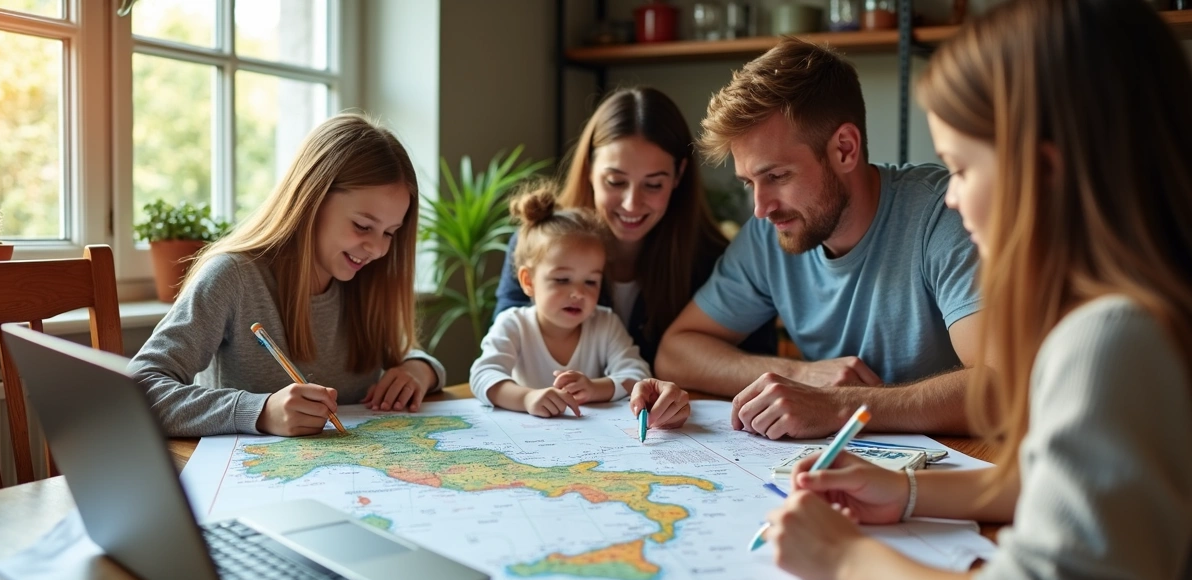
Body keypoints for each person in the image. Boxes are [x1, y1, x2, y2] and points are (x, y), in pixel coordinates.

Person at [763, 1, 1192, 580]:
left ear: (1044, 173)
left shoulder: (1112, 340)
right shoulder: (1143, 314)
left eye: (962, 169)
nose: (953, 195)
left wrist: (845, 558)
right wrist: (907, 493)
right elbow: (1057, 487)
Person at [657, 37, 982, 439]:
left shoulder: (945, 215)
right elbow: (676, 351)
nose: (760, 207)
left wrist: (840, 406)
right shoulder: (770, 230)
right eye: (748, 183)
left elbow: (1003, 386)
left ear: (844, 149)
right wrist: (800, 374)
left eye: (777, 177)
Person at [131, 114, 447, 438]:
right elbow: (138, 390)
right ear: (311, 198)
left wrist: (418, 370)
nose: (378, 249)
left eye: (391, 233)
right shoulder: (233, 277)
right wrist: (260, 411)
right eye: (363, 226)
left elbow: (403, 352)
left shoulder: (364, 278)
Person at [493, 86, 777, 369]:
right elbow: (502, 352)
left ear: (678, 175)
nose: (631, 204)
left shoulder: (715, 261)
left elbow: (757, 364)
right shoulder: (539, 242)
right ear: (590, 170)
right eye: (615, 182)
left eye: (653, 185)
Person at [472, 188, 691, 428]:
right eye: (562, 280)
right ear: (528, 281)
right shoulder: (513, 324)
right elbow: (483, 375)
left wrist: (596, 388)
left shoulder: (605, 323)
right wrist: (526, 397)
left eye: (591, 281)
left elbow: (637, 373)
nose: (578, 293)